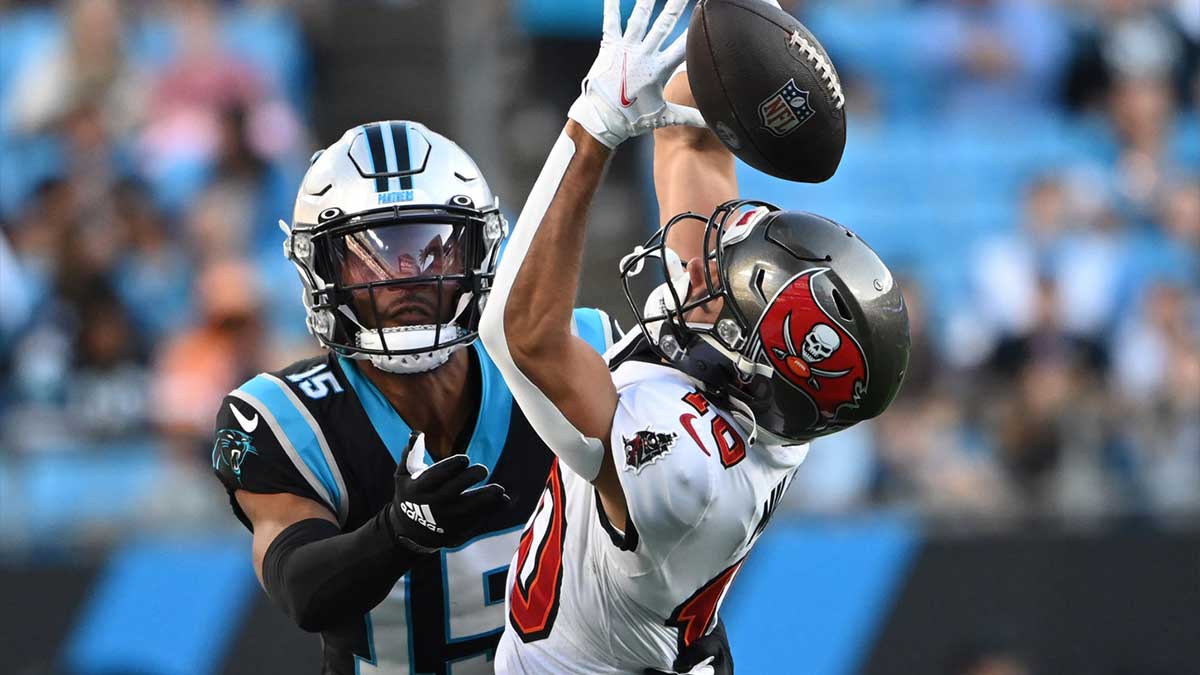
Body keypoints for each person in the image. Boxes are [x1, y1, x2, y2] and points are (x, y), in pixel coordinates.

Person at [211, 116, 733, 673]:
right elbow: (302, 590)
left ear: (479, 251)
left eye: (433, 248)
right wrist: (398, 534)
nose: (405, 278)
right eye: (372, 256)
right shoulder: (287, 420)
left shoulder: (569, 354)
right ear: (321, 269)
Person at [478, 1, 910, 673]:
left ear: (758, 358)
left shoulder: (687, 467)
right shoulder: (756, 377)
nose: (711, 260)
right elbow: (692, 134)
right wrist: (738, 22)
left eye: (740, 274)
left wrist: (592, 127)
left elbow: (520, 335)